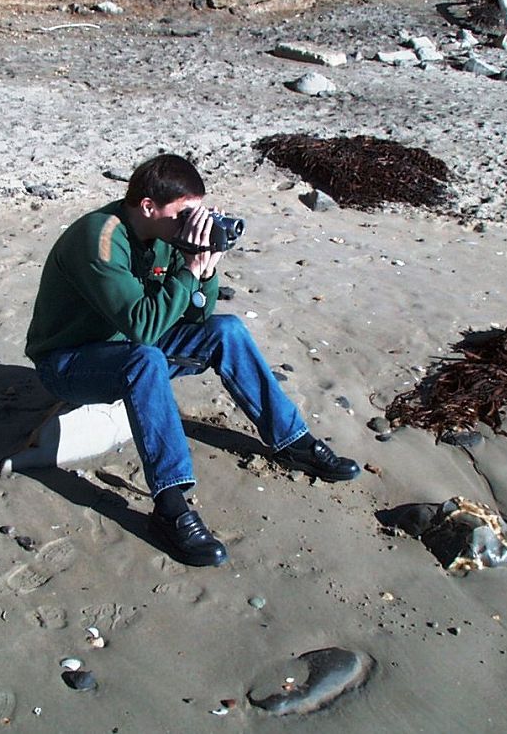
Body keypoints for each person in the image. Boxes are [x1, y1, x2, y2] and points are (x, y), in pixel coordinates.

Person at [25, 154, 360, 567]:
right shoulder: (100, 239)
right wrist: (188, 270)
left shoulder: (167, 233)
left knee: (227, 330)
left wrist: (205, 269)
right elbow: (143, 327)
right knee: (145, 360)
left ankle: (292, 441)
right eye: (185, 213)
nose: (193, 222)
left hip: (126, 347)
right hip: (67, 362)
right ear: (148, 206)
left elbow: (197, 317)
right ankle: (170, 505)